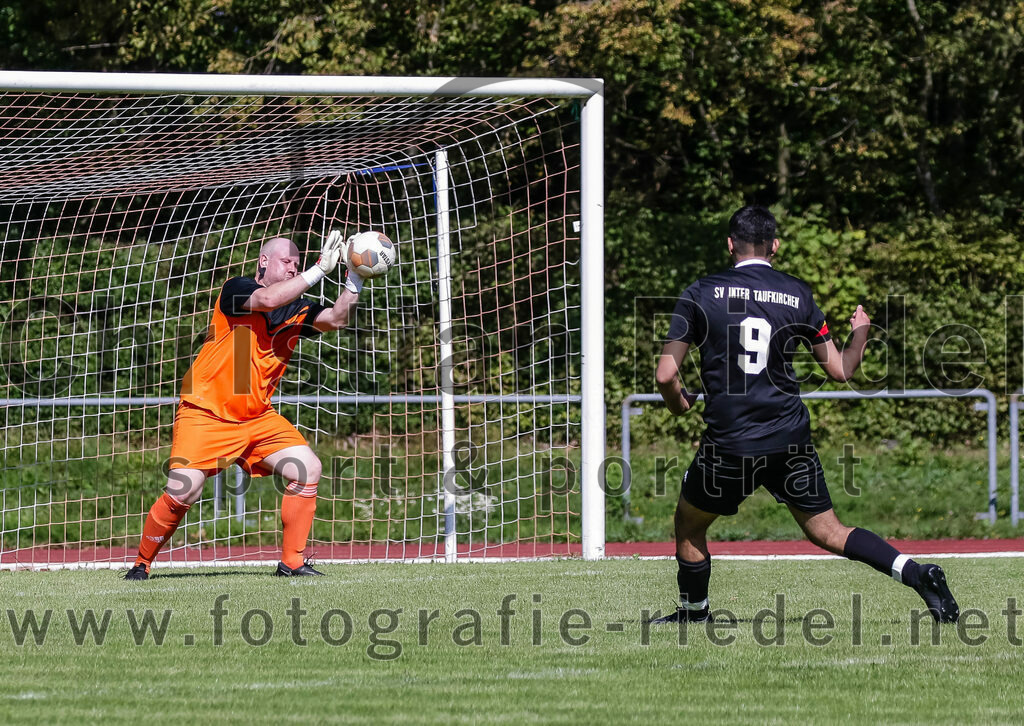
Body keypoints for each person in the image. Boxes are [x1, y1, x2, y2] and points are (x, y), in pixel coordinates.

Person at [652, 206, 959, 623]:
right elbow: (840, 370)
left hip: (731, 443)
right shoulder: (797, 295)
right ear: (775, 246)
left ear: (729, 244)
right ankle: (918, 573)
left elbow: (667, 374)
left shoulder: (702, 292)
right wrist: (862, 333)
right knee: (828, 532)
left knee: (689, 524)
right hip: (788, 438)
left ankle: (694, 612)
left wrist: (680, 404)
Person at [125, 230, 371, 580]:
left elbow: (335, 319)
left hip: (256, 418)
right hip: (205, 412)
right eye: (287, 261)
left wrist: (355, 278)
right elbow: (268, 300)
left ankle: (292, 563)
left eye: (297, 264)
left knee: (307, 469)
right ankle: (141, 563)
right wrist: (316, 271)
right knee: (184, 491)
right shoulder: (237, 289)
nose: (292, 268)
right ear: (263, 261)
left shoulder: (297, 308)